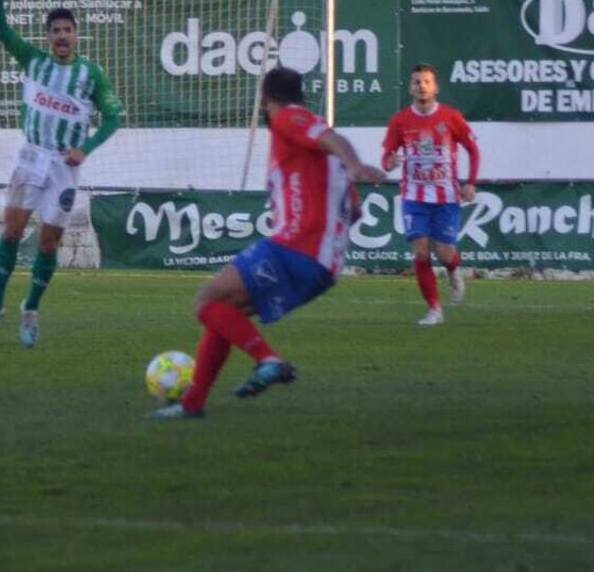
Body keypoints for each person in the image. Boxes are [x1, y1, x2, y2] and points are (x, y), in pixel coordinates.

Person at [151, 67, 384, 421]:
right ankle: (192, 403)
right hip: (323, 268)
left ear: (265, 100)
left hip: (295, 247)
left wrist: (355, 164)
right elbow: (355, 211)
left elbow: (332, 138)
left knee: (205, 301)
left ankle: (268, 359)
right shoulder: (320, 157)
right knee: (225, 315)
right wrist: (343, 176)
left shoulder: (291, 119)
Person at [0, 0, 123, 348]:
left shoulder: (91, 75)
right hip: (30, 156)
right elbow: (2, 32)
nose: (61, 36)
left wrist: (85, 149)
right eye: (55, 31)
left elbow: (114, 117)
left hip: (63, 166)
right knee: (11, 231)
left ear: (76, 35)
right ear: (48, 36)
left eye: (67, 30)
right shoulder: (34, 61)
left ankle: (30, 309)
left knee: (49, 242)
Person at [381, 63, 479, 325]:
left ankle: (454, 270)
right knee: (421, 252)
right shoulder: (400, 120)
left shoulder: (450, 117)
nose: (421, 86)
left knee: (445, 252)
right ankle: (435, 309)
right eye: (416, 82)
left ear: (435, 87)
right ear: (410, 88)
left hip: (446, 197)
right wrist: (389, 162)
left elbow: (473, 149)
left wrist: (470, 182)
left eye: (426, 81)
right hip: (414, 197)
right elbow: (387, 157)